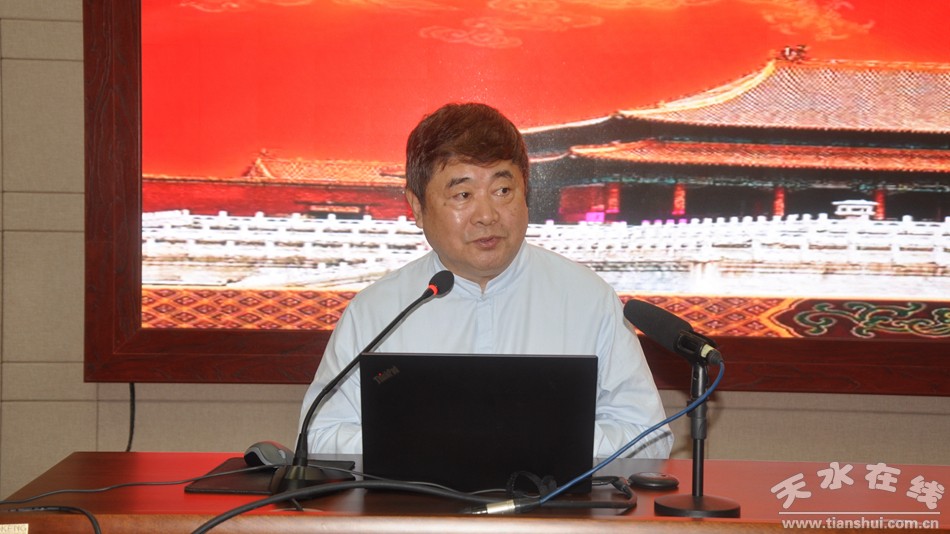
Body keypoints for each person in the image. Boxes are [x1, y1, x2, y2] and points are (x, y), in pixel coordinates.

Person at [299, 102, 672, 459]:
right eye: (463, 194)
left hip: (552, 503)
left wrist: (542, 440)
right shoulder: (377, 311)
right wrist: (429, 444)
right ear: (417, 207)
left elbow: (649, 437)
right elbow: (319, 434)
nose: (487, 215)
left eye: (502, 191)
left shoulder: (587, 299)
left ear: (526, 193)